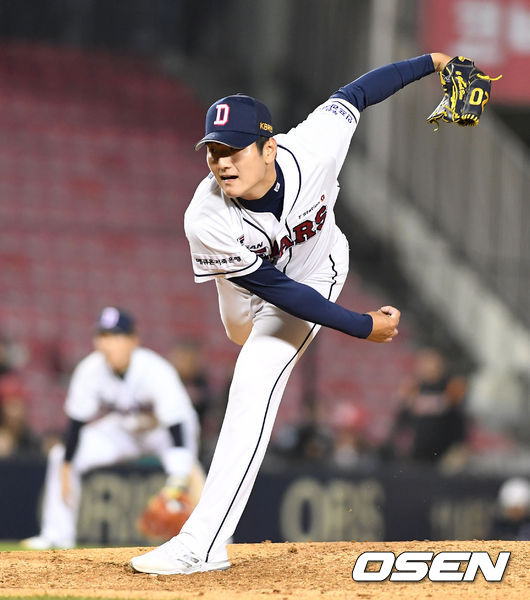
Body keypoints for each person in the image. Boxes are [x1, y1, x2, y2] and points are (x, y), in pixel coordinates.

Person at [131, 52, 455, 575]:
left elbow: (359, 92)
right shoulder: (206, 216)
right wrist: (361, 325)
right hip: (248, 286)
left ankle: (202, 544)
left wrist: (434, 61)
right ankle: (203, 541)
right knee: (242, 334)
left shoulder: (313, 147)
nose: (221, 162)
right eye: (213, 150)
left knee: (253, 380)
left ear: (269, 148)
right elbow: (273, 288)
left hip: (315, 273)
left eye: (234, 149)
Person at [22, 306, 202, 549]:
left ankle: (210, 541)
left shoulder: (156, 370)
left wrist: (179, 479)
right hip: (125, 429)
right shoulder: (90, 370)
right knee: (59, 456)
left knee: (190, 475)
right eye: (103, 336)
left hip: (163, 431)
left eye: (116, 336)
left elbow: (177, 428)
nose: (108, 344)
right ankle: (57, 536)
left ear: (133, 340)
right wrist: (66, 465)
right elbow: (76, 423)